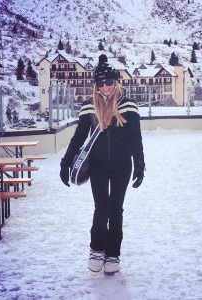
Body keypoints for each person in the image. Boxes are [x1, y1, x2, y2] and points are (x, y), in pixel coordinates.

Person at [60, 54, 145, 274]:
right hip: (97, 164)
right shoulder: (89, 106)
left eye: (109, 82)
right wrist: (65, 162)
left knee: (116, 209)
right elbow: (79, 137)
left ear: (116, 81)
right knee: (101, 208)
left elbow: (135, 137)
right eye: (100, 82)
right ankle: (96, 249)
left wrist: (140, 164)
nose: (105, 87)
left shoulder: (128, 105)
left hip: (122, 165)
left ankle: (113, 254)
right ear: (95, 85)